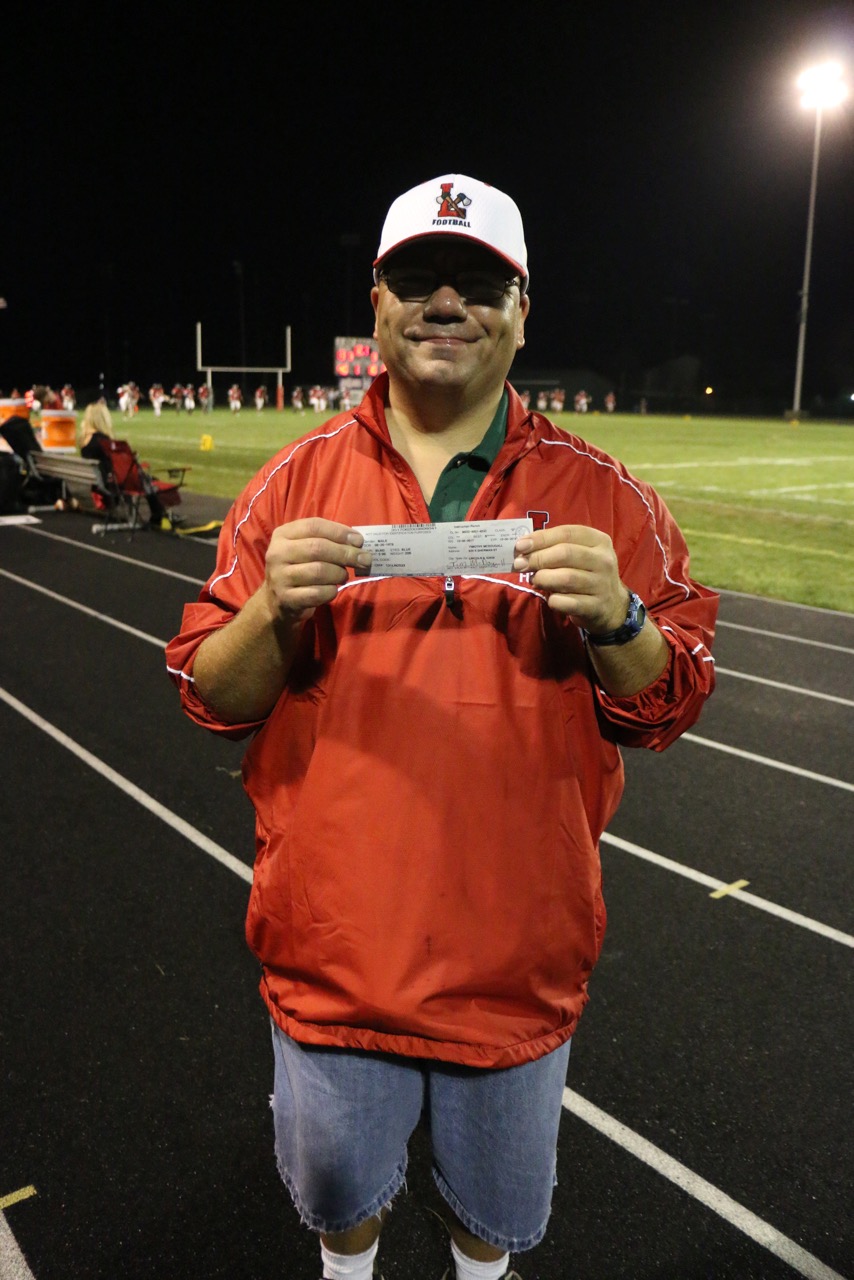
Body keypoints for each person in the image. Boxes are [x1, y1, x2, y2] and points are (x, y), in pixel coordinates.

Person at [165, 173, 718, 1280]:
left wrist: (617, 617)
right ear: (376, 303)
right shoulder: (290, 484)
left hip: (516, 962)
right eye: (418, 277)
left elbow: (670, 702)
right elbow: (209, 695)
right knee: (339, 1203)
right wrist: (272, 610)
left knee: (491, 1223)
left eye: (479, 282)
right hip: (334, 958)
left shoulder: (608, 498)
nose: (447, 302)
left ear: (522, 311)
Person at [79, 401, 171, 527]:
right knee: (149, 480)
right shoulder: (102, 440)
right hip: (111, 484)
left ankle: (159, 514)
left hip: (99, 483)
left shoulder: (84, 440)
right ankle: (159, 515)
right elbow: (118, 463)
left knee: (144, 478)